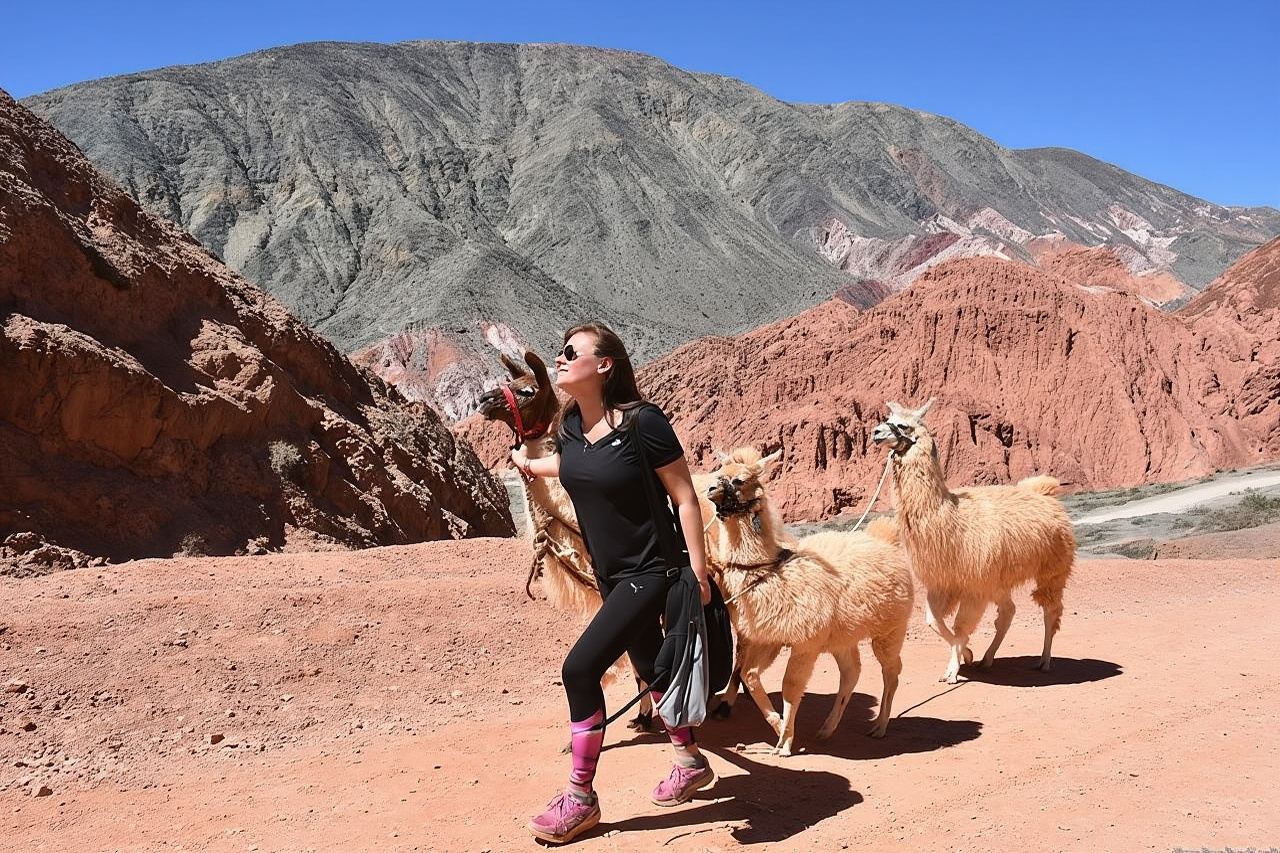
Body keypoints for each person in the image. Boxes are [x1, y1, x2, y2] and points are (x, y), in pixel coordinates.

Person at [511, 322, 715, 844]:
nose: (558, 361)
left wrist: (697, 572)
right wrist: (533, 463)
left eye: (568, 353)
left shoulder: (644, 423)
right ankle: (690, 760)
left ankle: (580, 799)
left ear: (603, 365)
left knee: (579, 670)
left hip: (653, 571)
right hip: (611, 574)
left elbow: (685, 497)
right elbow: (580, 467)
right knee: (650, 667)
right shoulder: (573, 426)